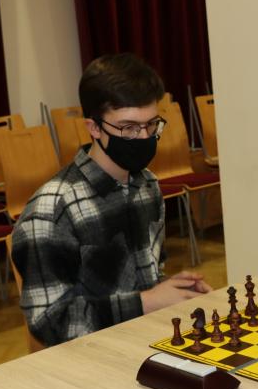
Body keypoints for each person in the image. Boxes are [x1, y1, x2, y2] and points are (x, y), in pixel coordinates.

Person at [12, 53, 211, 348]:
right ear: (94, 128)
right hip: (88, 359)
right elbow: (50, 323)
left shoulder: (147, 185)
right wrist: (146, 302)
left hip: (145, 342)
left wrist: (171, 288)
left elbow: (144, 278)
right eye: (128, 128)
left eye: (151, 125)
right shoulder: (50, 210)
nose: (143, 137)